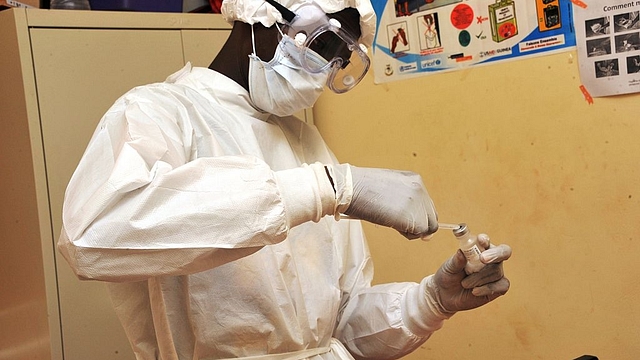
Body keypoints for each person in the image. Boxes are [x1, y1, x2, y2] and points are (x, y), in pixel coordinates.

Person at [57, 0, 512, 359]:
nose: (325, 72)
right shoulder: (159, 113)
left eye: (340, 59)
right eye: (322, 47)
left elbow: (337, 329)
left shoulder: (307, 145)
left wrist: (429, 302)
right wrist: (323, 189)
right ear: (260, 16)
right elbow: (93, 237)